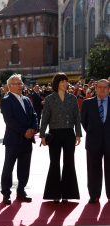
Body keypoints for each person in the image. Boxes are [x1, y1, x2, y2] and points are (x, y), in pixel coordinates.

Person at [40, 73, 82, 203]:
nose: (65, 83)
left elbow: (77, 117)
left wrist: (78, 134)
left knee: (69, 163)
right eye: (62, 81)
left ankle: (68, 194)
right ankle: (54, 194)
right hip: (54, 135)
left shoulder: (73, 98)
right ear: (57, 83)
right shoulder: (50, 99)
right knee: (54, 163)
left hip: (69, 134)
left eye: (66, 81)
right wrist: (42, 135)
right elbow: (45, 118)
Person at [0, 74, 38, 205]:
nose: (20, 86)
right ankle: (6, 194)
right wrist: (24, 132)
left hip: (27, 141)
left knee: (24, 168)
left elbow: (34, 116)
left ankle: (21, 190)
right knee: (8, 168)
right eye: (16, 83)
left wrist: (33, 129)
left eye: (21, 83)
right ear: (10, 86)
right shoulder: (6, 99)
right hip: (13, 140)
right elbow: (9, 121)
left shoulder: (27, 99)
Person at [81, 79, 110, 203]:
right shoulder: (87, 103)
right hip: (93, 141)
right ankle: (94, 195)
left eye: (105, 87)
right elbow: (84, 122)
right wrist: (94, 132)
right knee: (93, 170)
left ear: (109, 89)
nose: (102, 89)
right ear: (95, 88)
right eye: (99, 87)